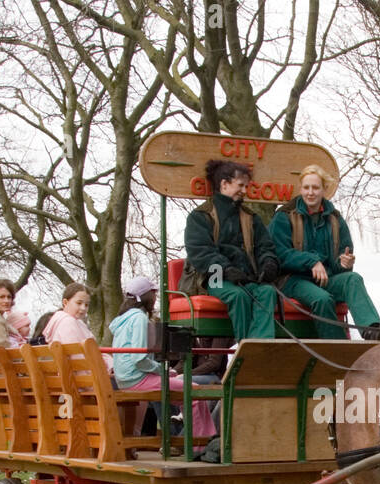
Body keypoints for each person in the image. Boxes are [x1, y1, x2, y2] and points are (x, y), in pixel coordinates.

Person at [270, 164, 380, 341]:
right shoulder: (285, 216)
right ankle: (338, 349)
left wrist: (344, 263)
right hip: (293, 280)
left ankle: (371, 330)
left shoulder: (335, 220)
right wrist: (311, 261)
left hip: (325, 278)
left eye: (315, 188)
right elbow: (278, 253)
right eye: (306, 187)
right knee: (322, 299)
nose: (310, 192)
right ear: (301, 189)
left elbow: (340, 260)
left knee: (353, 279)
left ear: (324, 190)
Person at [182, 159, 281, 340]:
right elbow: (201, 253)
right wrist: (226, 269)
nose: (244, 191)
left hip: (245, 277)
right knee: (238, 296)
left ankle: (259, 345)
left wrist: (268, 263)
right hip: (213, 276)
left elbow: (265, 246)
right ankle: (243, 346)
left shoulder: (251, 218)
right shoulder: (200, 216)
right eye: (241, 185)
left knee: (267, 292)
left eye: (246, 186)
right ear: (224, 184)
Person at [110, 276, 215, 439]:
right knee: (194, 390)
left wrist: (163, 371)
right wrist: (163, 369)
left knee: (182, 386)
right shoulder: (139, 318)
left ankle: (184, 437)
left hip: (125, 379)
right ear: (147, 295)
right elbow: (139, 359)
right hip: (137, 379)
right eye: (154, 293)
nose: (155, 297)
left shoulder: (122, 320)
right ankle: (199, 444)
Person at [43, 281, 113, 373]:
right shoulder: (68, 323)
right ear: (65, 302)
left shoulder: (63, 322)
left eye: (86, 305)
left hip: (74, 380)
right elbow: (79, 360)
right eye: (79, 303)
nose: (83, 308)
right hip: (84, 382)